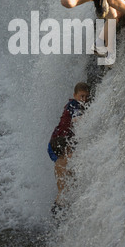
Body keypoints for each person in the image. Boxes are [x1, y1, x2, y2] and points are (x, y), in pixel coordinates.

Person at [47, 82, 90, 211]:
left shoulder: (81, 104)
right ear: (74, 95)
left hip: (63, 142)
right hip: (57, 142)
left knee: (68, 172)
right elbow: (76, 119)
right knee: (63, 173)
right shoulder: (73, 105)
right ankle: (59, 206)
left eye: (86, 97)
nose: (83, 99)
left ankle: (63, 205)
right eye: (81, 96)